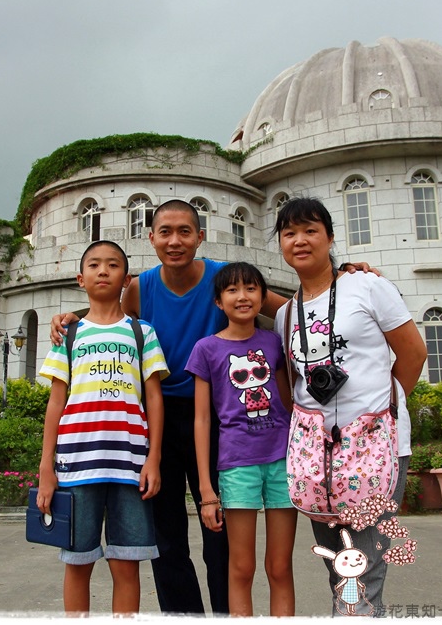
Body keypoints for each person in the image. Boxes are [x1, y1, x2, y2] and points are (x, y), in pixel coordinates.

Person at [51, 199, 374, 615]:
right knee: (167, 537)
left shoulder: (223, 278)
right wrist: (69, 318)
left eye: (185, 231)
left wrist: (342, 277)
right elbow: (106, 311)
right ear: (151, 238)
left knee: (221, 534)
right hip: (160, 418)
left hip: (223, 420)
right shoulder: (140, 288)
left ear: (200, 236)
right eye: (164, 232)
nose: (174, 241)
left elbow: (288, 308)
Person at [272, 197, 427, 618]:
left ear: (330, 238)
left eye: (310, 230)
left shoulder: (368, 286)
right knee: (338, 562)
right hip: (317, 455)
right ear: (281, 244)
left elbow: (412, 353)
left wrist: (385, 410)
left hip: (374, 447)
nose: (300, 240)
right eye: (289, 233)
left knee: (365, 564)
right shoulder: (285, 315)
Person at [36, 240, 168, 615]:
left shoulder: (142, 333)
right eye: (94, 265)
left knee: (127, 565)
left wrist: (153, 458)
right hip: (76, 467)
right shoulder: (69, 336)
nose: (103, 270)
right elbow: (56, 402)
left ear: (126, 280)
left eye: (112, 265)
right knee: (77, 563)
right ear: (81, 278)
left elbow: (154, 399)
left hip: (130, 468)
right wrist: (47, 466)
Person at [185, 262, 297, 617]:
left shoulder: (274, 342)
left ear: (263, 297)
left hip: (282, 462)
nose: (243, 296)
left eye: (251, 288)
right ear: (219, 301)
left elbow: (289, 404)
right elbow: (202, 420)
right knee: (241, 568)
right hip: (236, 466)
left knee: (280, 567)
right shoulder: (205, 349)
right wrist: (205, 488)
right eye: (232, 290)